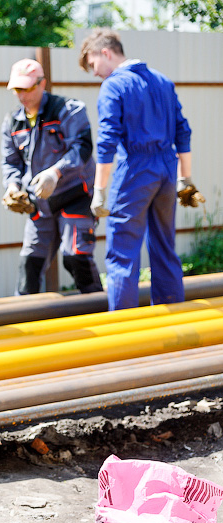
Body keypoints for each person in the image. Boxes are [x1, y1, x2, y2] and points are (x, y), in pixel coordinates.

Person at [79, 29, 204, 311]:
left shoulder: (114, 86)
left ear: (105, 53)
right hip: (167, 170)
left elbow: (107, 141)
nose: (95, 73)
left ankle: (123, 329)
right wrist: (185, 178)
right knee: (165, 247)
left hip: (135, 170)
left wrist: (99, 191)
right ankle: (174, 322)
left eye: (93, 64)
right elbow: (183, 131)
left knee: (123, 252)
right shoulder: (163, 81)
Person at [1, 58, 103, 296]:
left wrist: (55, 172)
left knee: (76, 257)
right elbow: (11, 162)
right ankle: (26, 316)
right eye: (17, 89)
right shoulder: (13, 122)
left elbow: (82, 147)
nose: (22, 95)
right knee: (30, 265)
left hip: (75, 195)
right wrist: (13, 187)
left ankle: (99, 310)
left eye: (27, 88)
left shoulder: (68, 110)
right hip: (40, 203)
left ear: (42, 83)